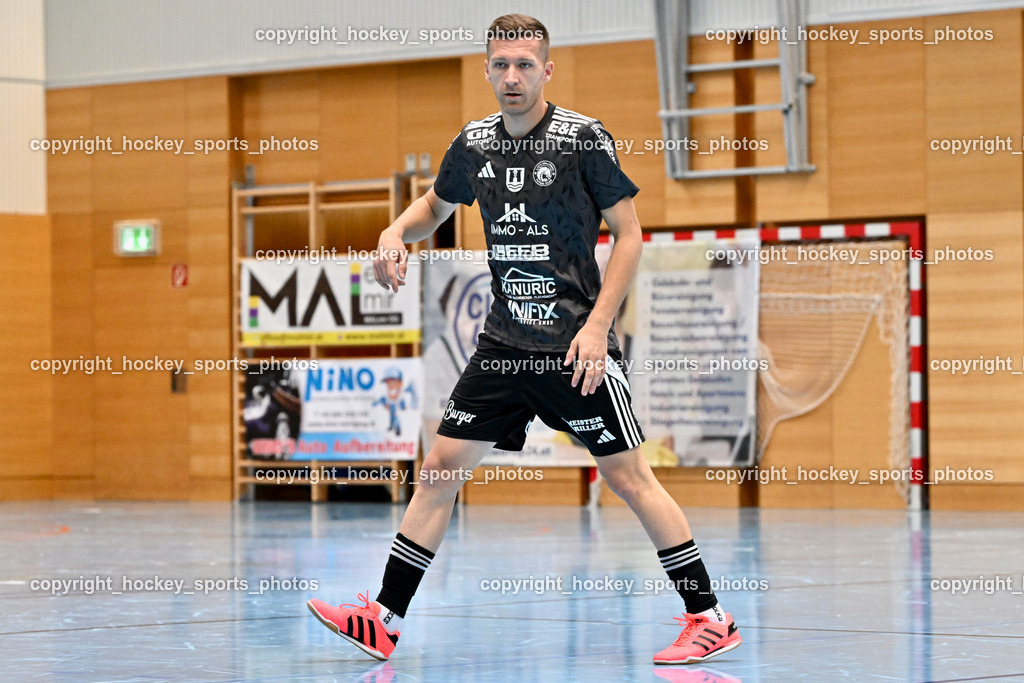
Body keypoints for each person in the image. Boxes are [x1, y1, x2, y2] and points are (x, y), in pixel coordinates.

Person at [307, 13, 742, 666]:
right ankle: (384, 617)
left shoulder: (582, 139)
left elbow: (630, 235)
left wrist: (598, 326)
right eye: (501, 65)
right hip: (504, 346)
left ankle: (708, 616)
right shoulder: (475, 144)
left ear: (547, 69)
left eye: (525, 64)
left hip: (575, 346)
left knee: (629, 476)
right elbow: (434, 205)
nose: (513, 76)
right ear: (486, 69)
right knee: (438, 471)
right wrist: (393, 233)